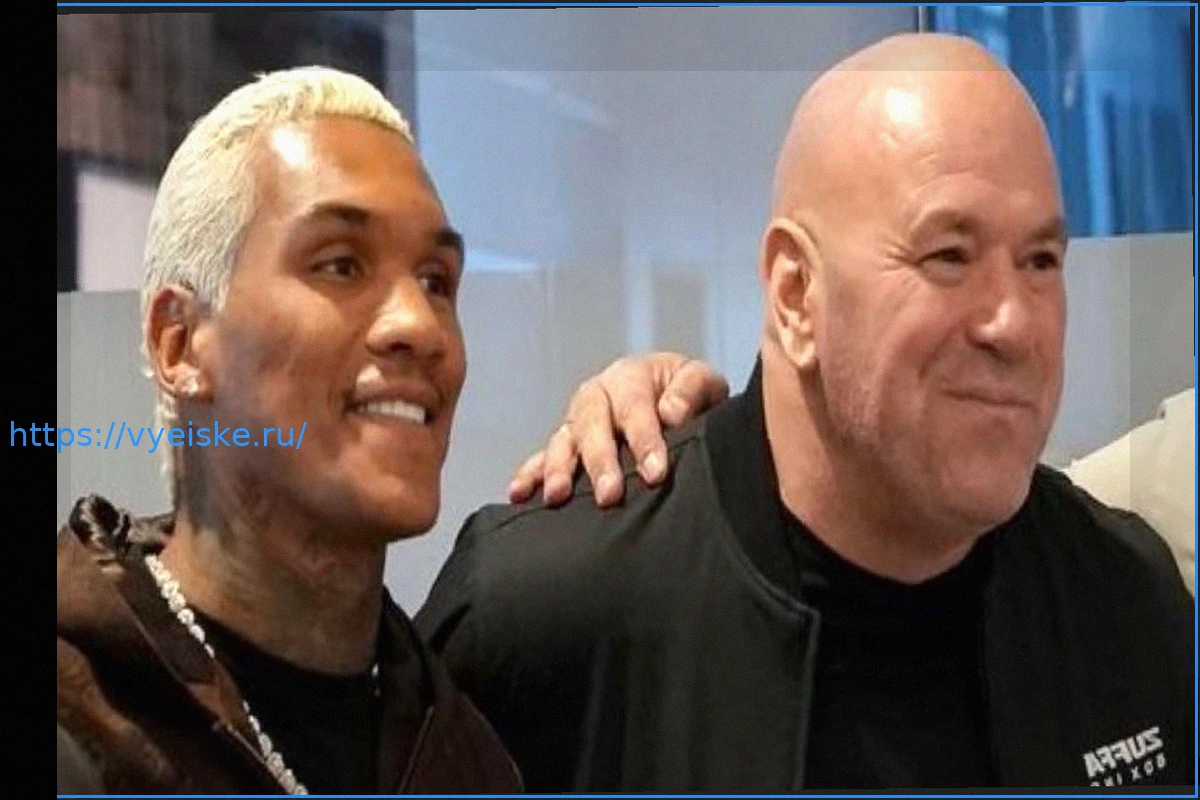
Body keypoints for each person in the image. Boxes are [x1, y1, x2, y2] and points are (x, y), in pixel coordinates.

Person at [417, 33, 1195, 791]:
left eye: (1041, 261)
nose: (1014, 323)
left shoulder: (1123, 597)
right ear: (795, 294)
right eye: (949, 256)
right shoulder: (547, 620)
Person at [56, 65, 725, 795]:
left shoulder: (470, 748)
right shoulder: (79, 727)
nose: (420, 325)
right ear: (181, 344)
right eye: (341, 265)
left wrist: (691, 453)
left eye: (437, 280)